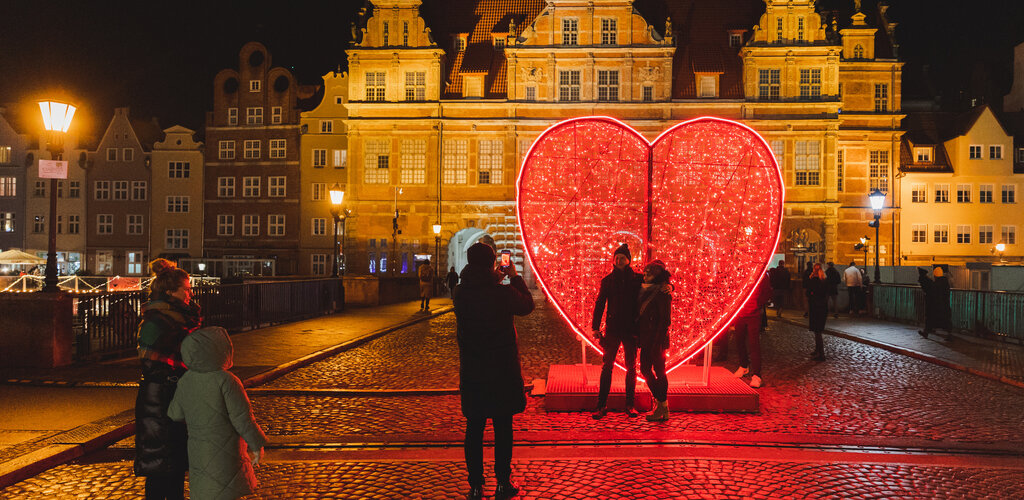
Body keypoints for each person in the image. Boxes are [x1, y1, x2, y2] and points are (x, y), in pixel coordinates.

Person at [453, 243, 535, 500]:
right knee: (503, 429)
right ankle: (502, 483)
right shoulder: (502, 294)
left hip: (474, 371)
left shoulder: (459, 293)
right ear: (492, 264)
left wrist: (495, 279)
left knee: (474, 430)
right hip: (501, 371)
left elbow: (479, 290)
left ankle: (475, 486)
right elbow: (527, 305)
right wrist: (513, 276)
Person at [168, 327, 267, 500]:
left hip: (199, 451)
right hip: (227, 452)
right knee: (226, 490)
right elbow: (242, 418)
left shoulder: (186, 381)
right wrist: (256, 443)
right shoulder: (227, 380)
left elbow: (175, 413)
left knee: (207, 491)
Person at [134, 258, 201, 500]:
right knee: (161, 465)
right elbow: (151, 362)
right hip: (160, 398)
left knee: (172, 463)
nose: (190, 293)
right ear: (171, 291)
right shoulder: (157, 321)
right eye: (186, 288)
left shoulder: (177, 318)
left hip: (169, 395)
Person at [591, 243, 643, 419]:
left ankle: (630, 404)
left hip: (630, 329)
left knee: (631, 367)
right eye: (617, 258)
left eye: (623, 258)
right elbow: (600, 304)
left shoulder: (637, 279)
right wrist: (595, 327)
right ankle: (601, 405)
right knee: (607, 367)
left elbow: (652, 290)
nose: (619, 260)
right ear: (614, 260)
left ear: (628, 260)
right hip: (612, 329)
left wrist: (669, 287)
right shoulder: (607, 281)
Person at [635, 260, 672, 422]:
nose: (645, 275)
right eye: (645, 272)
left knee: (659, 371)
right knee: (645, 369)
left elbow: (665, 320)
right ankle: (662, 404)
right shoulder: (643, 288)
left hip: (656, 340)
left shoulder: (662, 292)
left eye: (650, 272)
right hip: (646, 338)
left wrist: (657, 342)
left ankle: (662, 406)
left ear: (658, 275)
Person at [732, 273, 773, 388]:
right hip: (740, 312)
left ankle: (757, 375)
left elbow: (768, 292)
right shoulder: (740, 271)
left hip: (753, 313)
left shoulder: (761, 273)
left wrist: (757, 304)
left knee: (753, 343)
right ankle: (744, 366)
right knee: (739, 340)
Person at [918, 266, 953, 340]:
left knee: (930, 318)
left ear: (935, 275)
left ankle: (927, 332)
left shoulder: (937, 283)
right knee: (945, 320)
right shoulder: (945, 282)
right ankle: (949, 334)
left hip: (938, 305)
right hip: (944, 305)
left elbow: (932, 292)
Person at [807, 263, 829, 361]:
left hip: (815, 307)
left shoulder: (813, 280)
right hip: (823, 306)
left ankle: (821, 354)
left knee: (817, 331)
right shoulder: (824, 280)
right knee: (818, 330)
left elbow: (808, 292)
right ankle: (817, 350)